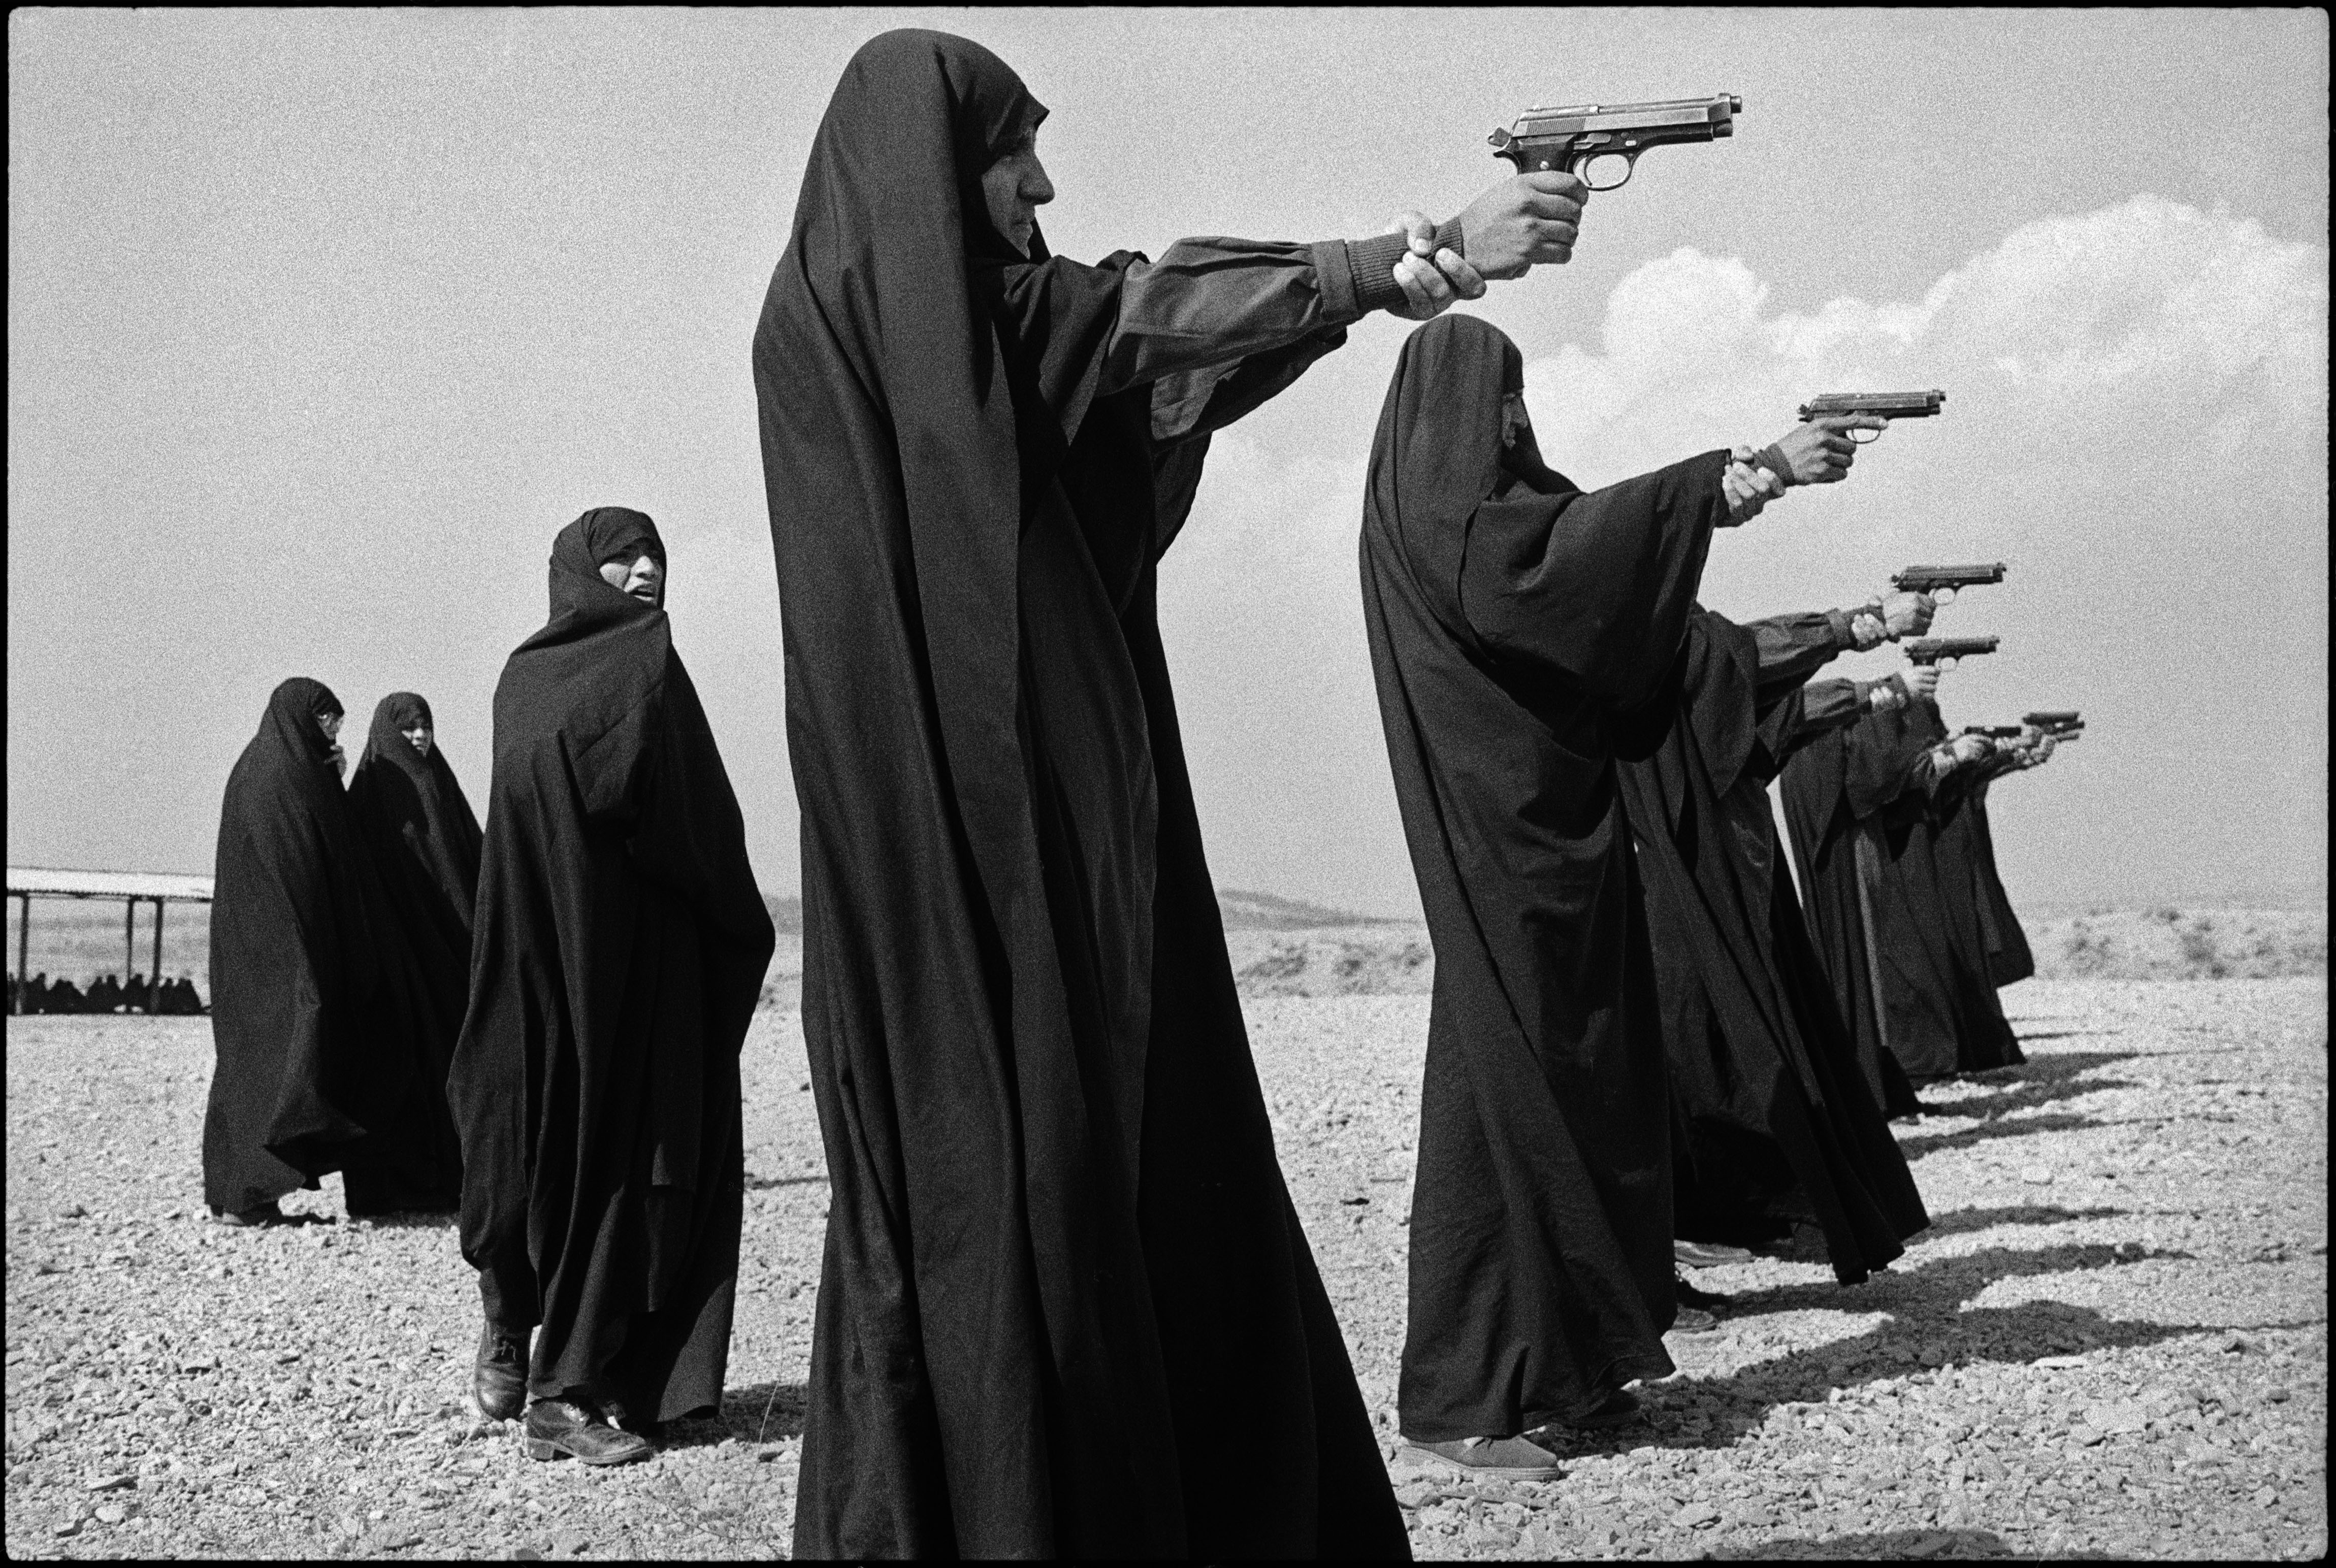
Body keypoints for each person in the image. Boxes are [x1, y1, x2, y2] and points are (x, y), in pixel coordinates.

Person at [753, 27, 1598, 1557]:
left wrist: (1360, 295)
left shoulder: (931, 331)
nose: (1040, 183)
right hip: (978, 856)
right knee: (1021, 1174)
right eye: (1014, 154)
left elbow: (1135, 351)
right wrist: (1412, 250)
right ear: (936, 163)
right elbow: (1128, 321)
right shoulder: (904, 322)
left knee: (1123, 1159)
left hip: (1042, 837)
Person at [1359, 312, 1886, 1481]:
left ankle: (1579, 1363)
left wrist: (1737, 490)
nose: (1516, 419)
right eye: (1502, 397)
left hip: (1557, 849)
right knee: (1504, 1110)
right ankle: (1460, 1400)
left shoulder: (1474, 517)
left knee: (1586, 1093)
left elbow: (1602, 582)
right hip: (1507, 862)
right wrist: (1733, 475)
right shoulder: (1448, 524)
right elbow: (1552, 562)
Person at [447, 508, 773, 1469]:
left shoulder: (634, 672)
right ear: (579, 572)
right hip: (553, 952)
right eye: (621, 556)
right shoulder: (554, 675)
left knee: (635, 1156)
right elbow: (680, 824)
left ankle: (587, 1383)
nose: (642, 571)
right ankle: (514, 1325)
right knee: (529, 1136)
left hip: (638, 967)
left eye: (655, 555)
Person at [1615, 599, 1933, 1292]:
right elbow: (1730, 666)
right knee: (1698, 1047)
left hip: (1717, 867)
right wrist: (1853, 640)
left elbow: (1752, 719)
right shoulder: (1648, 638)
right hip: (1683, 877)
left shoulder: (1662, 641)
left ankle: (1721, 1215)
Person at [202, 678, 413, 1226]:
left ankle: (242, 1195)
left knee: (254, 1065)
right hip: (282, 952)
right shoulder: (285, 776)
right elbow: (308, 863)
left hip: (255, 954)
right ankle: (251, 1196)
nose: (331, 733)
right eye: (325, 723)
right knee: (286, 1059)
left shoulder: (263, 767)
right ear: (299, 719)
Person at [1779, 674, 2025, 1087]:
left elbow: (1917, 788)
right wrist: (1945, 758)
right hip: (1884, 863)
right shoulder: (1843, 745)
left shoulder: (1853, 743)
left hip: (1895, 856)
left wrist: (1976, 760)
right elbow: (1880, 781)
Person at [341, 692, 480, 1216]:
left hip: (445, 950)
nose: (421, 737)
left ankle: (450, 1179)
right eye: (408, 728)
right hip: (396, 955)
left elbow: (466, 856)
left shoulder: (437, 782)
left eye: (426, 725)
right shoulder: (377, 791)